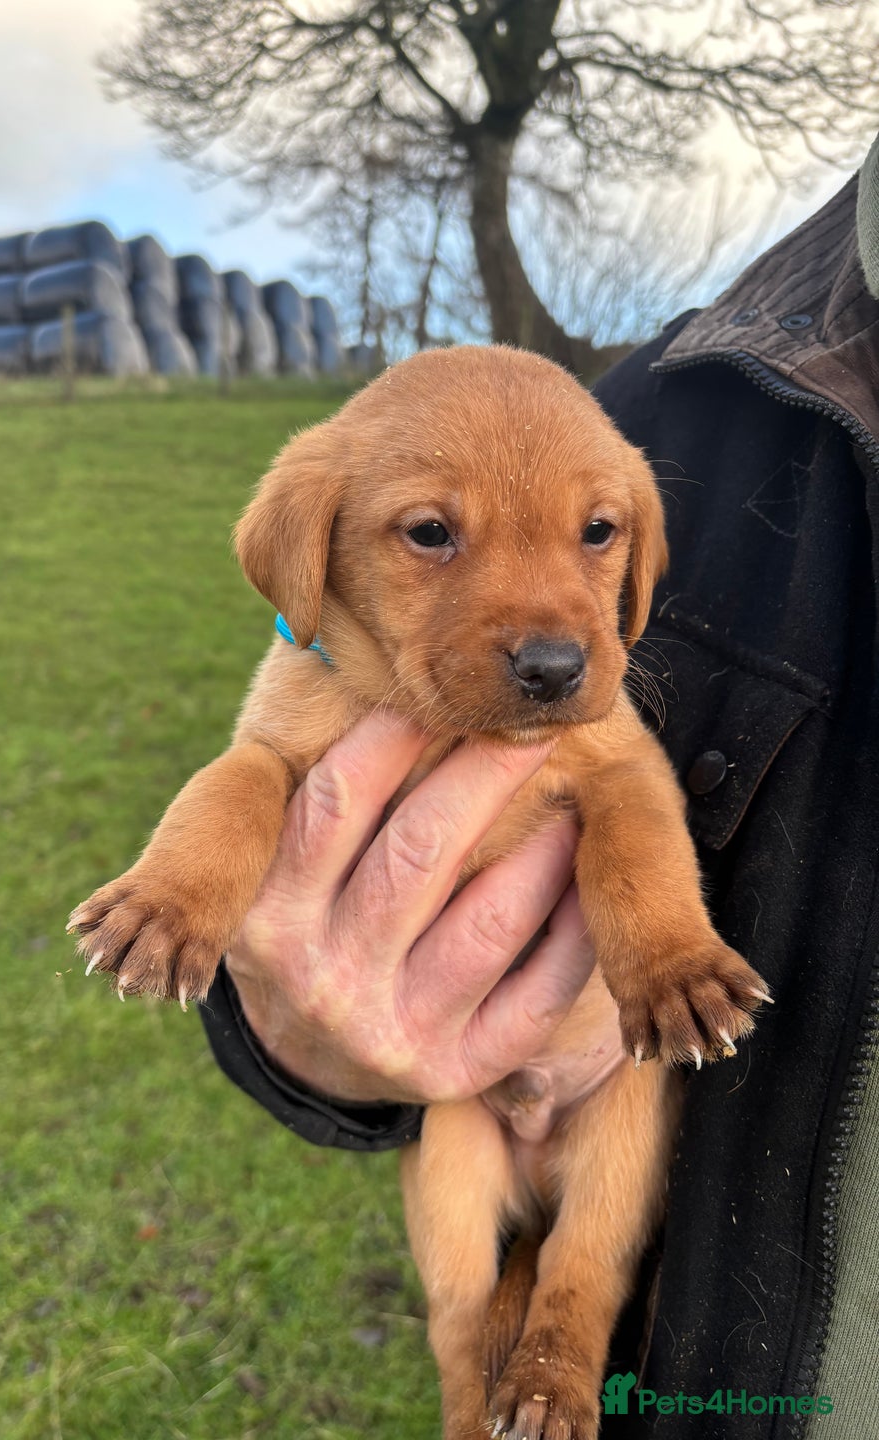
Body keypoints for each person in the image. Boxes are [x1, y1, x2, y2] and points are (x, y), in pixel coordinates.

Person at [200, 133, 879, 1437]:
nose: (555, 636)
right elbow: (274, 826)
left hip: (681, 1246)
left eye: (596, 538)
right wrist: (295, 1031)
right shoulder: (684, 400)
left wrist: (660, 941)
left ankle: (558, 1330)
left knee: (585, 1232)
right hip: (519, 1158)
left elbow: (626, 788)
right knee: (467, 1294)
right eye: (433, 534)